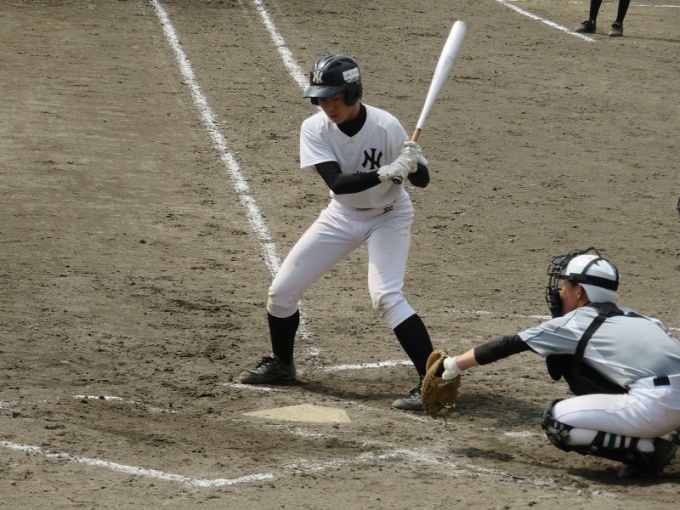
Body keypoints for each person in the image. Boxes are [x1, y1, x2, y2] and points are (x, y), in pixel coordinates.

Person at [238, 54, 434, 411]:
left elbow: (422, 181)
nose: (328, 107)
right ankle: (282, 364)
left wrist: (413, 164)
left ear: (353, 93)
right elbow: (338, 183)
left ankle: (433, 382)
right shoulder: (314, 128)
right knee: (281, 293)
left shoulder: (386, 125)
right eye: (321, 99)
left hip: (388, 216)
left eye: (335, 98)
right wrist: (384, 172)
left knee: (386, 296)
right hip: (340, 215)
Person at [436, 247, 680, 478]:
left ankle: (650, 450)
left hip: (655, 407)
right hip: (669, 404)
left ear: (579, 292)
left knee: (557, 421)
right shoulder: (642, 319)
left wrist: (452, 365)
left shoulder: (575, 323)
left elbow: (509, 344)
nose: (560, 291)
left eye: (564, 285)